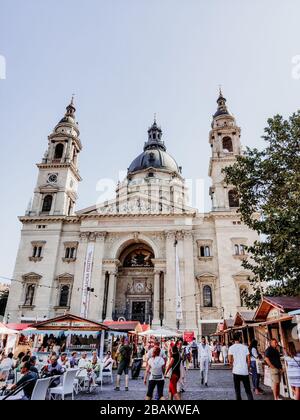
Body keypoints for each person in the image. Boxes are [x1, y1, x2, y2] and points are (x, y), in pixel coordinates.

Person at [228, 333, 253, 400]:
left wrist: (232, 366)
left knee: (237, 390)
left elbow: (230, 360)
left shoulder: (231, 348)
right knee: (248, 390)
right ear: (239, 338)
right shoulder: (245, 347)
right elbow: (249, 360)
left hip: (236, 371)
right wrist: (247, 368)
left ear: (234, 340)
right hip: (244, 371)